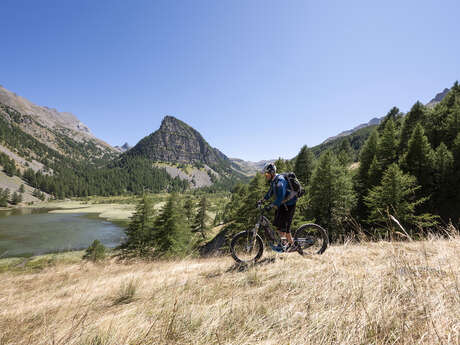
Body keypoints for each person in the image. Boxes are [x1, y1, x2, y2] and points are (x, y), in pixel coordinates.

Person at [260, 163, 299, 252]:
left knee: (286, 228)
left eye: (267, 174)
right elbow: (270, 192)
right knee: (278, 226)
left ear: (272, 172)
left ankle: (292, 245)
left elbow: (281, 196)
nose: (266, 176)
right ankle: (284, 243)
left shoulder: (280, 181)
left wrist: (271, 206)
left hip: (289, 205)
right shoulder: (274, 181)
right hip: (282, 205)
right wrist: (262, 200)